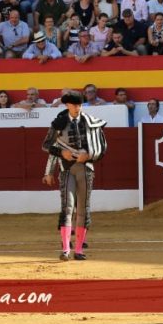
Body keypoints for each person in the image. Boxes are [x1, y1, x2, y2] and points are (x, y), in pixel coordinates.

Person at [42, 91, 107, 261]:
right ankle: (65, 249)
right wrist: (61, 152)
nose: (77, 108)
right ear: (67, 105)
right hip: (67, 169)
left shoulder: (91, 122)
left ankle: (78, 250)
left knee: (83, 209)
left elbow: (102, 149)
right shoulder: (59, 123)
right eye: (74, 105)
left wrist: (90, 155)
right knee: (68, 207)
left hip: (85, 169)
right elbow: (47, 146)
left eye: (79, 105)